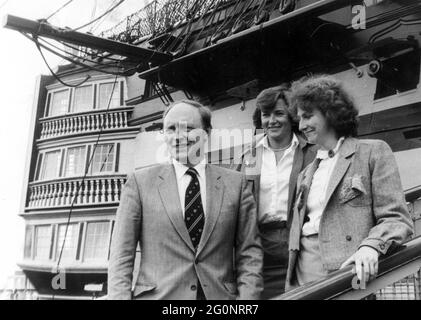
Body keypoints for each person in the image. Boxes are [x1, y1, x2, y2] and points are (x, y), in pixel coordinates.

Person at [108, 99, 263, 300]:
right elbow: (121, 256)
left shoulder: (236, 184)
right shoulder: (139, 183)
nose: (179, 136)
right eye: (171, 129)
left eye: (188, 128)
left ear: (207, 134)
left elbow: (249, 253)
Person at [285, 75, 414, 290]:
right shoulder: (306, 173)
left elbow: (396, 218)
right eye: (299, 119)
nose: (302, 125)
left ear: (330, 112)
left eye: (308, 117)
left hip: (348, 269)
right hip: (303, 274)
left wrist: (371, 247)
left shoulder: (372, 152)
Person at [232, 85, 317, 298]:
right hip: (258, 247)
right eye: (266, 115)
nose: (272, 121)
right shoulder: (247, 157)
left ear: (291, 116)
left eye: (279, 113)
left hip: (299, 247)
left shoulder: (313, 153)